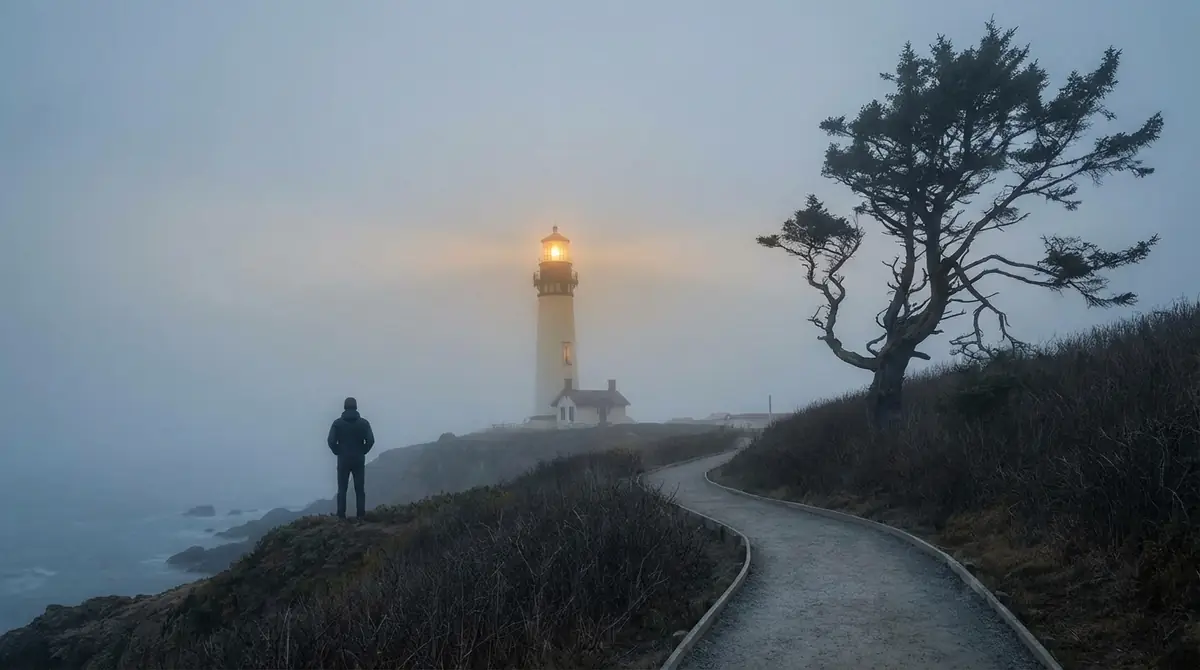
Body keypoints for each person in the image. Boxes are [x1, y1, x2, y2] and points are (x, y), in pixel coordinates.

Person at [326, 396, 375, 520]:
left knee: (342, 489)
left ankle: (341, 515)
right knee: (359, 488)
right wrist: (363, 451)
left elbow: (331, 441)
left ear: (344, 407)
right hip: (358, 459)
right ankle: (361, 515)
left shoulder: (337, 424)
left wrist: (338, 451)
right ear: (356, 407)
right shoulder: (364, 423)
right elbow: (371, 440)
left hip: (343, 459)